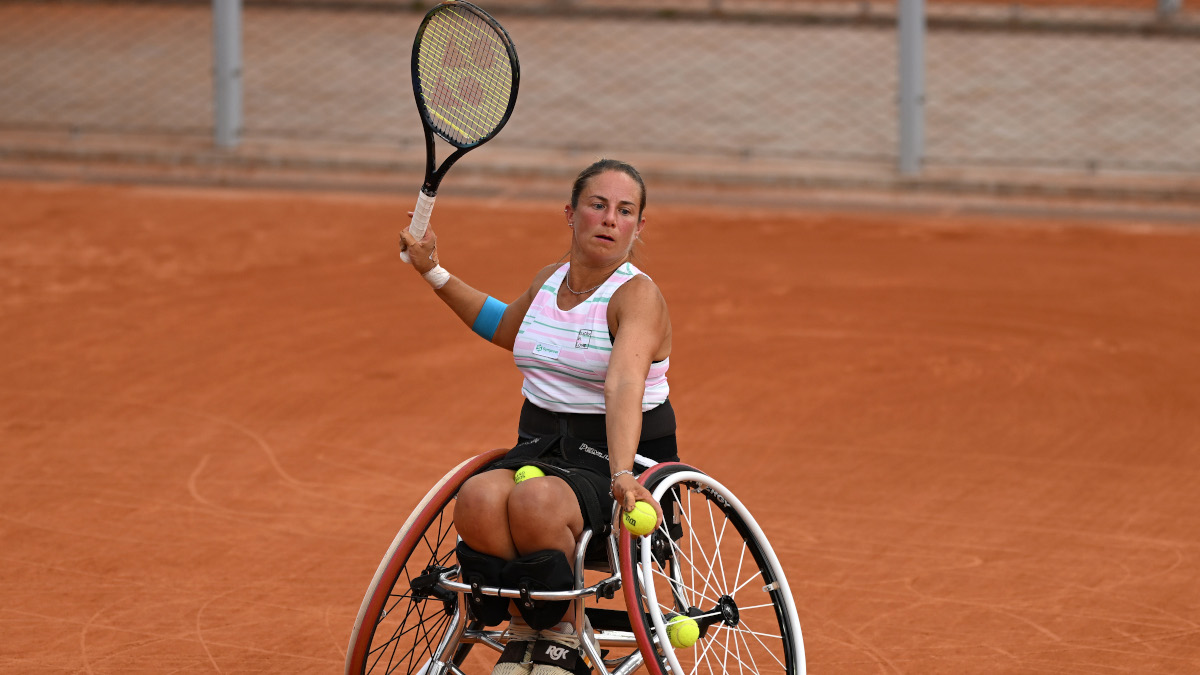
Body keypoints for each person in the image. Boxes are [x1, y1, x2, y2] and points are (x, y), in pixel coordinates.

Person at [398, 159, 676, 675]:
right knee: (478, 498)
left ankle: (562, 637)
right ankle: (530, 629)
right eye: (598, 205)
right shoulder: (550, 279)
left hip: (616, 454)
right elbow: (507, 328)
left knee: (537, 501)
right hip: (541, 446)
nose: (610, 219)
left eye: (625, 210)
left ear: (640, 225)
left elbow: (622, 386)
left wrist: (620, 474)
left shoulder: (638, 296)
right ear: (571, 214)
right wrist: (432, 271)